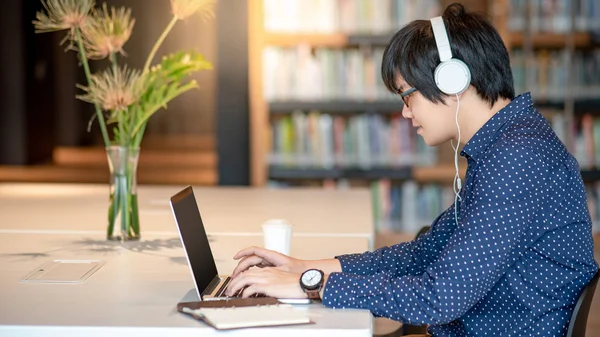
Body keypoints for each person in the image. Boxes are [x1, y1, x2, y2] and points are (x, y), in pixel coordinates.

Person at [226, 3, 599, 336]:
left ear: (453, 81)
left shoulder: (518, 157)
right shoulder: (506, 145)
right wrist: (304, 267)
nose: (405, 112)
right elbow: (424, 254)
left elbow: (439, 299)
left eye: (408, 95)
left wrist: (311, 285)